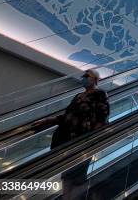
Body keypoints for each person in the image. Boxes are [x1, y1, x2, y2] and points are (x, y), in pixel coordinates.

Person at [40, 70, 110, 199]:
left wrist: (92, 138)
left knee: (77, 171)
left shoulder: (100, 94)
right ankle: (66, 197)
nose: (83, 78)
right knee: (67, 172)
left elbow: (102, 116)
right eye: (83, 76)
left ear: (95, 79)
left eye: (86, 76)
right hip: (66, 137)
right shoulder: (78, 95)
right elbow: (68, 115)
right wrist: (50, 120)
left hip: (82, 138)